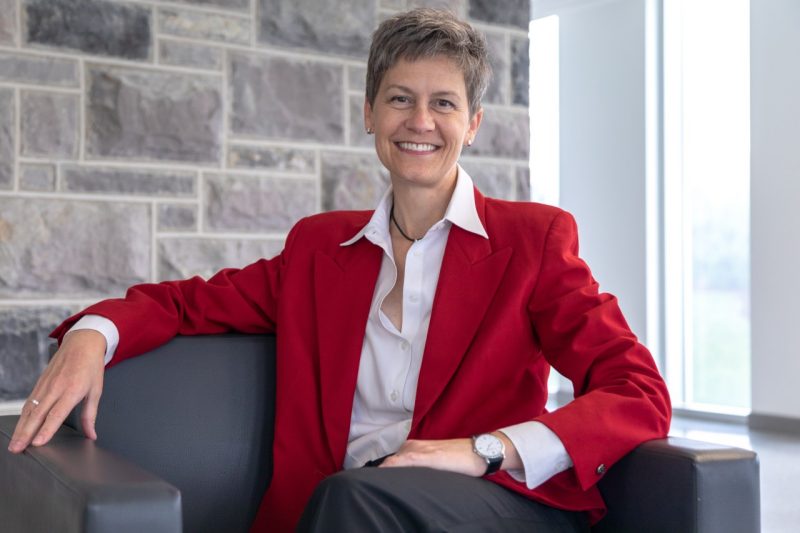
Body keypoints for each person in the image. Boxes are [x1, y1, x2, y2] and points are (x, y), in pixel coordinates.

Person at [7, 8, 670, 532]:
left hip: (487, 503)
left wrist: (483, 448)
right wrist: (93, 334)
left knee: (354, 501)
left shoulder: (531, 240)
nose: (420, 121)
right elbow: (188, 303)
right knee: (350, 499)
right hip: (345, 506)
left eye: (444, 103)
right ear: (369, 113)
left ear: (474, 124)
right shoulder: (320, 251)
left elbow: (637, 389)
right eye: (399, 98)